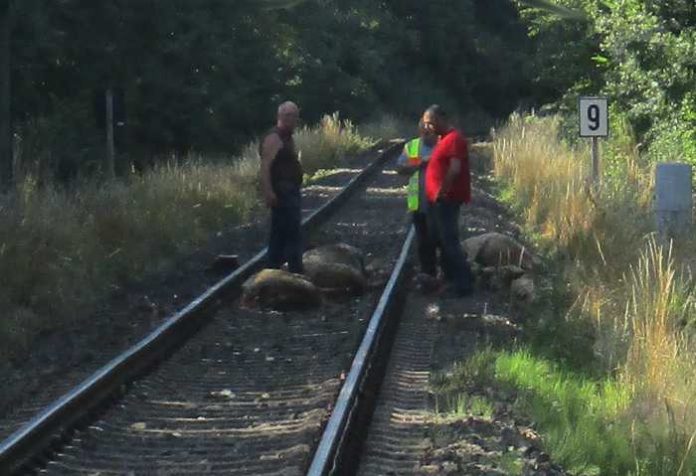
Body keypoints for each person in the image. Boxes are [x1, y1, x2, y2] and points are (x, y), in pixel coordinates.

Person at [422, 104, 475, 297]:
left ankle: (463, 283)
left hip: (447, 200)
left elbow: (454, 168)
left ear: (439, 120)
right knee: (441, 240)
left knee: (449, 241)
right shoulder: (444, 139)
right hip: (439, 200)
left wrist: (442, 192)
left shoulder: (454, 139)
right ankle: (450, 278)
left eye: (429, 123)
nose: (426, 127)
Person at [259, 101, 304, 274]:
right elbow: (265, 167)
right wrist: (269, 192)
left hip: (289, 190)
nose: (294, 120)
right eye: (291, 116)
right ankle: (295, 271)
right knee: (292, 233)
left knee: (279, 234)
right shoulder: (274, 137)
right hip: (282, 191)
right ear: (282, 117)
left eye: (296, 116)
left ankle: (272, 270)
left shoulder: (286, 137)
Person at [396, 119, 438, 278]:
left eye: (431, 132)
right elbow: (400, 168)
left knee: (439, 238)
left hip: (439, 202)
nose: (427, 135)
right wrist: (420, 164)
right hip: (418, 202)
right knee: (423, 240)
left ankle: (443, 273)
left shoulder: (443, 145)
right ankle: (427, 273)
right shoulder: (412, 146)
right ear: (420, 132)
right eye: (424, 132)